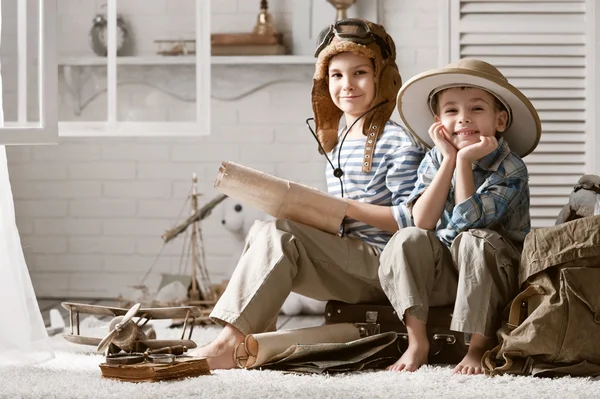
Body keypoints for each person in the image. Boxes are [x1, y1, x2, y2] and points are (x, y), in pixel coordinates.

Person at [190, 19, 426, 369]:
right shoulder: (339, 140)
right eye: (336, 75)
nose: (347, 85)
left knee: (282, 233)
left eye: (360, 72)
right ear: (324, 81)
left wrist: (341, 207)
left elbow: (412, 226)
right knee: (265, 230)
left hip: (386, 268)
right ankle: (249, 337)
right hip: (351, 260)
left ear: (382, 76)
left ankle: (229, 342)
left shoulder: (398, 141)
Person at [378, 58, 541, 374]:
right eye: (452, 111)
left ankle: (477, 346)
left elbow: (470, 226)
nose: (464, 119)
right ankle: (417, 341)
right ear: (438, 121)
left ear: (500, 120)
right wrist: (449, 161)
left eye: (477, 109)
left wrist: (464, 162)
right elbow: (422, 222)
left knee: (474, 240)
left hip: (496, 276)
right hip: (449, 273)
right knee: (406, 237)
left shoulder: (511, 168)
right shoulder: (436, 158)